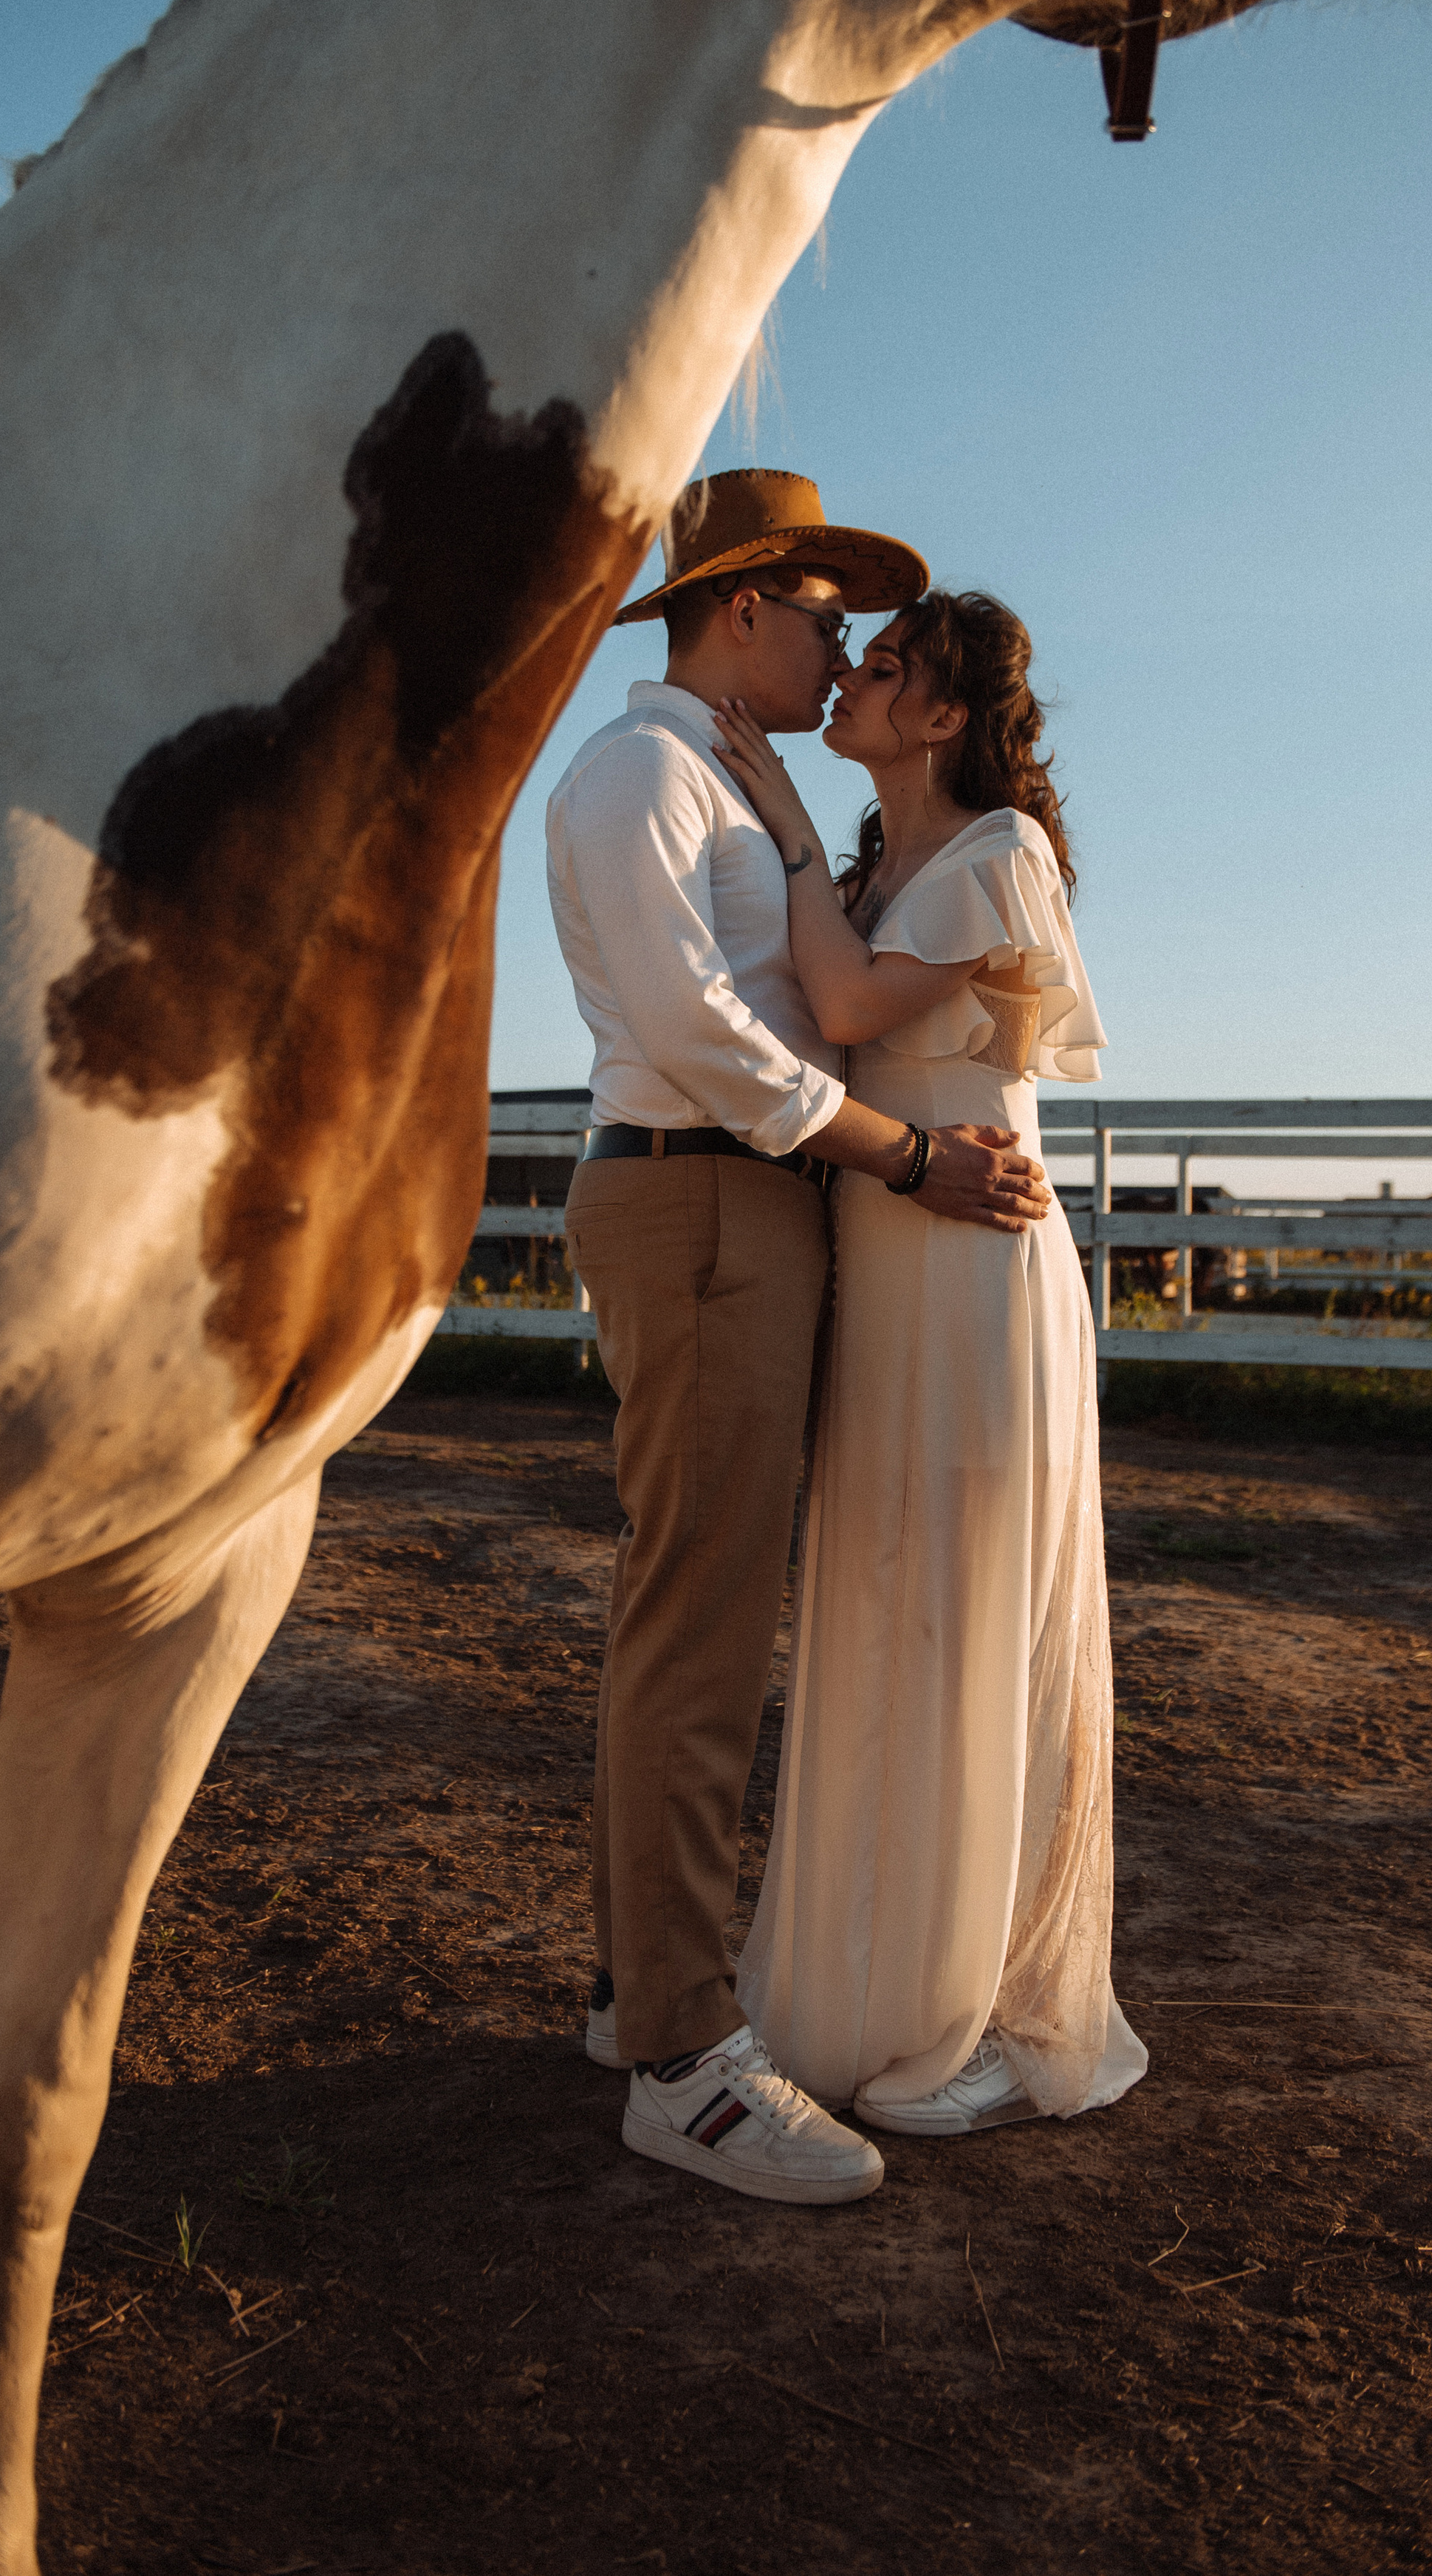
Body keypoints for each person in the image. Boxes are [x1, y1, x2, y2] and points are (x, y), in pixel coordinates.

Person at [546, 474, 1053, 2207]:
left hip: (749, 1207)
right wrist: (906, 1156)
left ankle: (641, 1998)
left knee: (696, 1603)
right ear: (742, 606)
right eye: (825, 612)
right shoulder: (639, 775)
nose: (838, 640)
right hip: (699, 1197)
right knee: (696, 1625)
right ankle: (684, 2058)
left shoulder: (716, 783)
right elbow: (702, 1036)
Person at [710, 588, 1148, 2136]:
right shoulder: (873, 863)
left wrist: (766, 805)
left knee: (965, 1615)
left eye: (881, 667)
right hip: (880, 1264)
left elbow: (840, 1006)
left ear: (944, 714)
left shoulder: (994, 857)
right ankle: (862, 1977)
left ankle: (967, 2013)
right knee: (883, 1606)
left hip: (971, 1274)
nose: (849, 677)